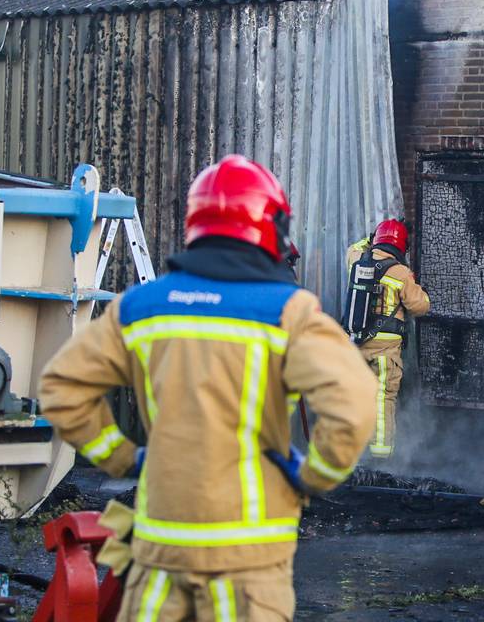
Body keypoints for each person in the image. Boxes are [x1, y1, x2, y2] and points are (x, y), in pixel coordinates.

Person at [39, 154, 376, 621]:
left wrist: (122, 456)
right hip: (248, 559)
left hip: (161, 552)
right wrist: (314, 474)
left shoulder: (142, 307)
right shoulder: (289, 311)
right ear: (268, 225)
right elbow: (355, 402)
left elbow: (61, 386)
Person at [343, 219, 429, 459]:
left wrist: (370, 239)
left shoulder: (356, 261)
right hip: (386, 350)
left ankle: (353, 454)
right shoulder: (400, 273)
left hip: (356, 344)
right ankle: (380, 458)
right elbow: (419, 306)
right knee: (383, 398)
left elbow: (353, 247)